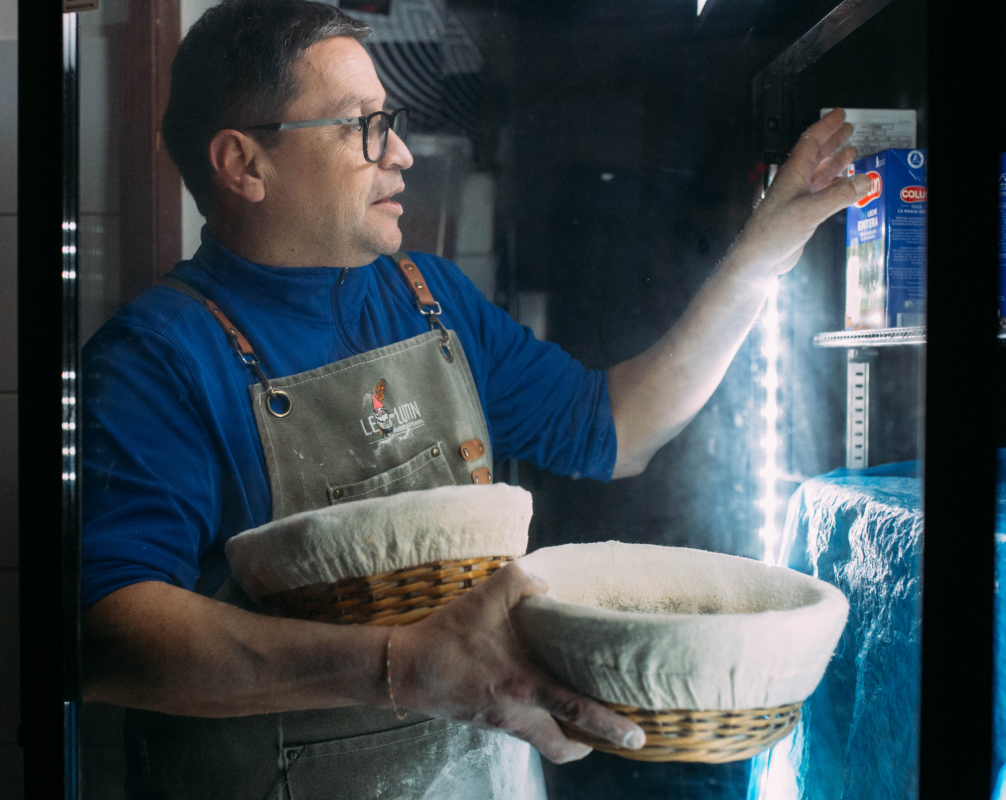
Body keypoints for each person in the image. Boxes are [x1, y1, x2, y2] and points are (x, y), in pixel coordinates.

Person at [79, 1, 871, 797]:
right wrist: (403, 668)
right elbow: (110, 635)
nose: (401, 153)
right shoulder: (158, 356)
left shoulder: (431, 301)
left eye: (391, 119)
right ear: (243, 164)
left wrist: (765, 252)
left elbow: (617, 429)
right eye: (361, 126)